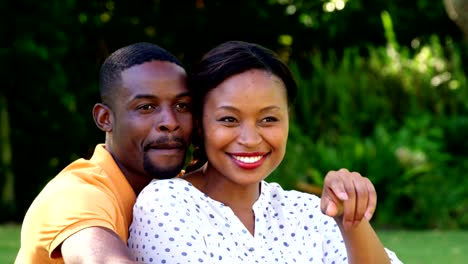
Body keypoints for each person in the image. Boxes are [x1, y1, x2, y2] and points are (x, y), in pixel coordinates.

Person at [127, 41, 403, 263]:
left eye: (268, 119)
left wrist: (350, 223)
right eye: (229, 119)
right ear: (199, 125)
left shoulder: (309, 212)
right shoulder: (167, 203)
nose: (250, 139)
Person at [15, 42, 193, 263]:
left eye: (182, 106)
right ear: (104, 118)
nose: (170, 122)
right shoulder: (73, 194)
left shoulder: (185, 191)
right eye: (146, 107)